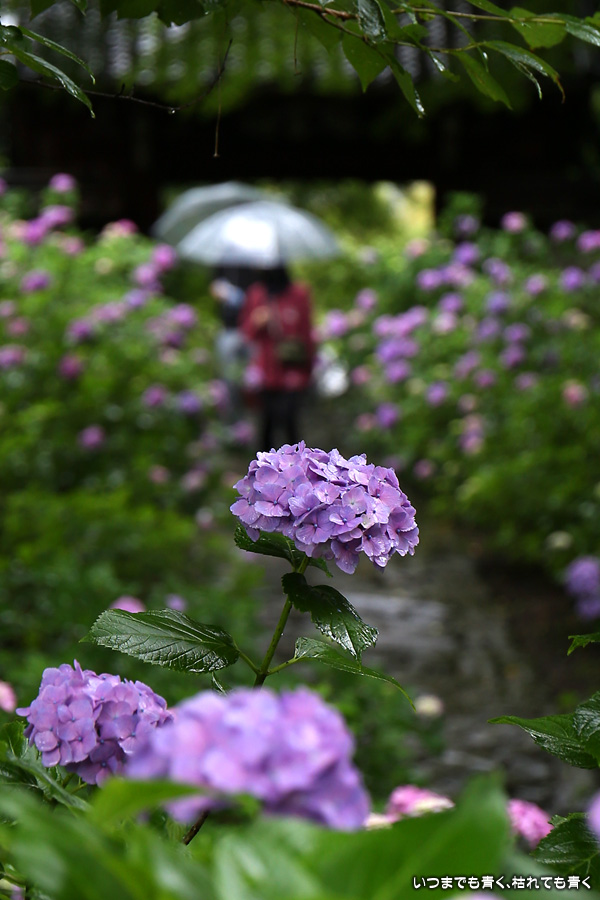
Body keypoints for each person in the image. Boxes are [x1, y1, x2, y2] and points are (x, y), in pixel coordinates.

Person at [240, 266, 315, 450]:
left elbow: (306, 333)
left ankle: (297, 464)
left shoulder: (299, 293)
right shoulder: (257, 294)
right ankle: (264, 466)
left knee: (290, 422)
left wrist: (308, 370)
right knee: (267, 423)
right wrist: (257, 321)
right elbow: (246, 334)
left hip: (292, 369)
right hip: (266, 372)